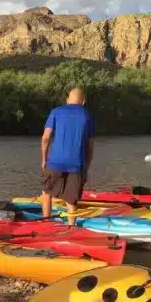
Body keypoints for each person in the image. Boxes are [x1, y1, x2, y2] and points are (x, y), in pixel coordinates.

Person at [40, 87, 94, 225]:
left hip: (55, 162)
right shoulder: (87, 116)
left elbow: (46, 138)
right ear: (83, 102)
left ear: (68, 99)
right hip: (77, 165)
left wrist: (44, 159)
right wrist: (86, 167)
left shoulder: (56, 112)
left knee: (46, 193)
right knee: (71, 199)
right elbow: (90, 145)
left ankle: (46, 223)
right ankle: (71, 227)